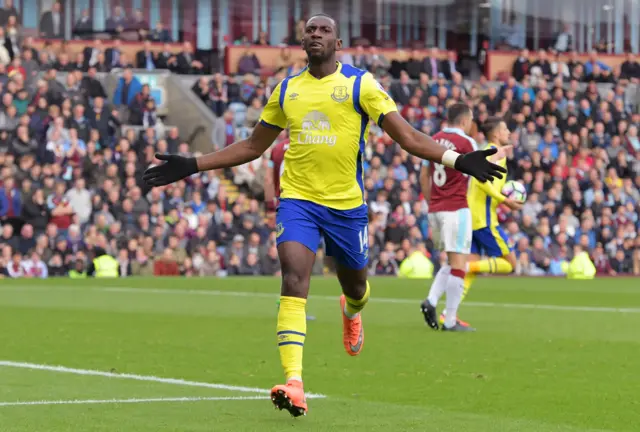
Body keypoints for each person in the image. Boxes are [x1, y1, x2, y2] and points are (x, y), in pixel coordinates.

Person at [142, 13, 505, 417]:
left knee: (356, 288)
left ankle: (351, 312)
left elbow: (408, 137)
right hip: (297, 200)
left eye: (324, 30)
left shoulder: (359, 84)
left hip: (346, 207)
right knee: (294, 276)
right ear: (302, 41)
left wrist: (457, 159)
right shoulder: (286, 90)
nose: (316, 34)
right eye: (310, 30)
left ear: (338, 43)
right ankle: (294, 382)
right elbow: (251, 146)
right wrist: (193, 164)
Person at [453, 118, 523, 327]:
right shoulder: (493, 152)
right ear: (495, 134)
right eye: (505, 128)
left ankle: (449, 314)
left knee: (471, 273)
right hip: (483, 219)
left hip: (471, 216)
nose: (508, 132)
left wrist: (501, 196)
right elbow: (480, 181)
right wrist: (505, 200)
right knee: (511, 264)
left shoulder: (486, 151)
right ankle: (466, 266)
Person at [419, 103, 477, 332]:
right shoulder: (466, 143)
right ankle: (451, 320)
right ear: (464, 121)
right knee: (459, 265)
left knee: (450, 261)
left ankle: (431, 301)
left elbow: (424, 175)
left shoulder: (432, 139)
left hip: (436, 209)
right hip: (456, 208)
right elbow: (475, 174)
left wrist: (431, 201)